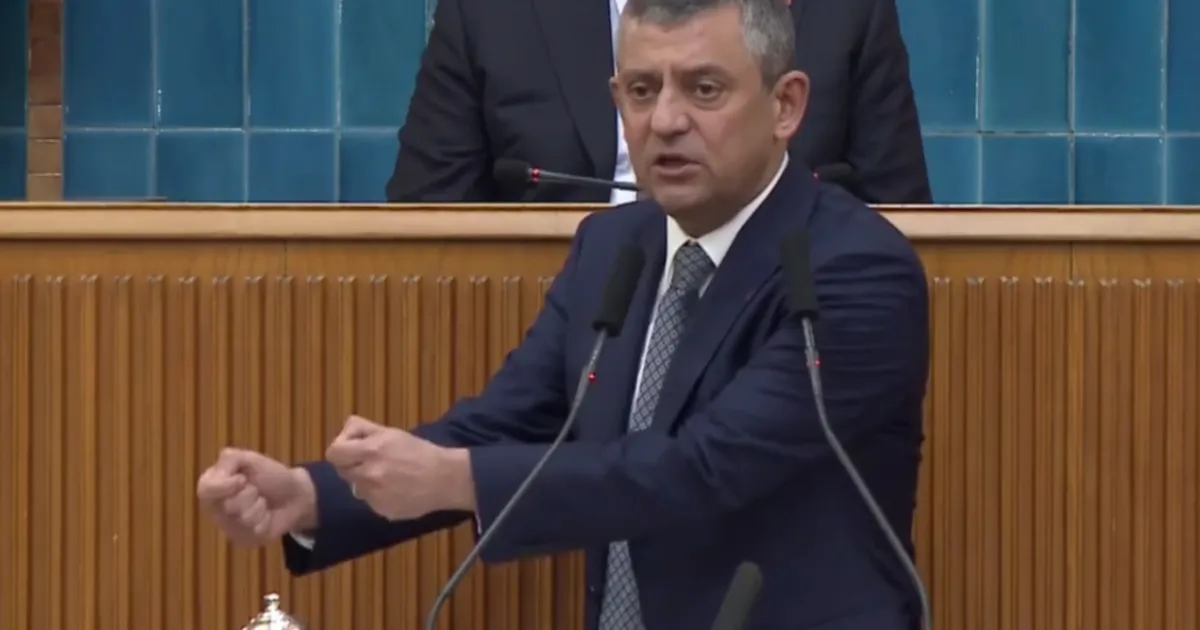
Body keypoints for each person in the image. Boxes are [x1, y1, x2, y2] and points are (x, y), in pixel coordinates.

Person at [197, 0, 930, 628]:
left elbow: (700, 469)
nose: (665, 120)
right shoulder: (613, 248)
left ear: (786, 105)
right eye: (641, 90)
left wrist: (458, 480)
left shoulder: (855, 269)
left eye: (704, 89)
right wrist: (314, 496)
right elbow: (507, 424)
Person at [384, 0, 931, 205]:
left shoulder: (848, 11)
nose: (668, 120)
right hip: (546, 318)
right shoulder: (489, 12)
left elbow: (905, 223)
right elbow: (422, 223)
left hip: (779, 320)